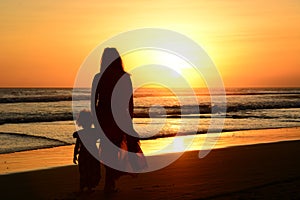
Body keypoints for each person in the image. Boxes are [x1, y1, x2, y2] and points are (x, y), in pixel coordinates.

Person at [91, 47, 147, 194]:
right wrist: (130, 120)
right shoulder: (124, 77)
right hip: (119, 118)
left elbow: (93, 102)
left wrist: (95, 119)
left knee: (108, 149)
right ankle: (110, 182)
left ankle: (110, 182)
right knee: (115, 148)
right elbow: (130, 102)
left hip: (103, 117)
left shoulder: (98, 77)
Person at [73, 110, 101, 193]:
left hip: (83, 153)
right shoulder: (94, 131)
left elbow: (77, 145)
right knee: (92, 169)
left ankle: (83, 187)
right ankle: (89, 187)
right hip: (93, 152)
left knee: (84, 170)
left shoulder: (80, 133)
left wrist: (75, 155)